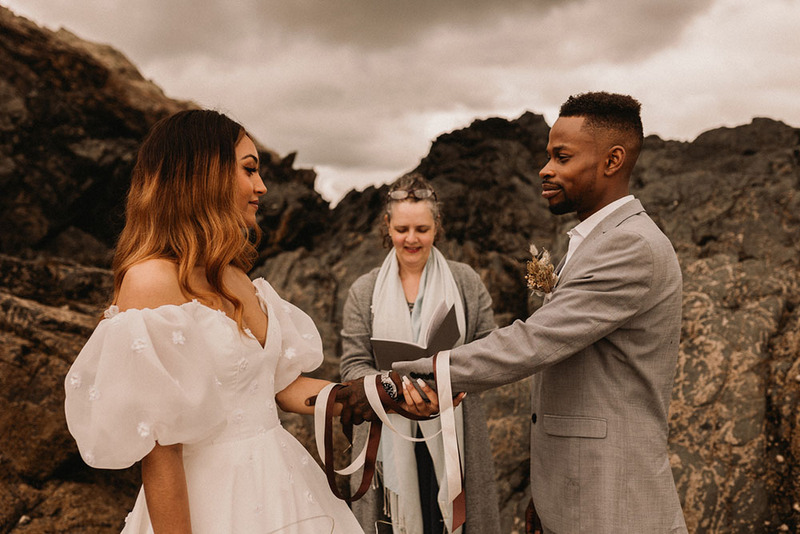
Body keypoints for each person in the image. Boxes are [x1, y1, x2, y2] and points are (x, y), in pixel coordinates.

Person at [63, 109, 436, 534]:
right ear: (201, 174)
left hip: (285, 485)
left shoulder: (236, 276)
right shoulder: (149, 282)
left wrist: (382, 392)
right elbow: (161, 452)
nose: (261, 186)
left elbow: (279, 387)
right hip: (212, 503)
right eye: (249, 170)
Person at [390, 92, 688, 533]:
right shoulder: (593, 241)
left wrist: (406, 376)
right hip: (577, 494)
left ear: (613, 160)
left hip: (616, 505)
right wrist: (549, 499)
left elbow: (532, 343)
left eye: (561, 157)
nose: (545, 170)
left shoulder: (631, 246)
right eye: (547, 156)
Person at [340, 172, 501, 534]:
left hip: (454, 432)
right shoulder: (363, 291)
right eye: (401, 229)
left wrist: (445, 382)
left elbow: (490, 350)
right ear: (387, 226)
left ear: (436, 227)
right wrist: (398, 391)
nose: (411, 239)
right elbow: (352, 364)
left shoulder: (466, 282)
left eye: (422, 229)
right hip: (388, 435)